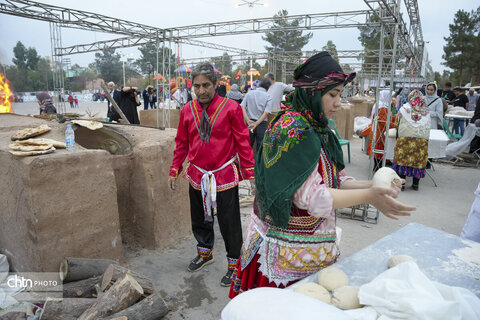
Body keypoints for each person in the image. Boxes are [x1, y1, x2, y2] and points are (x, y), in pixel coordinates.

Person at [229, 52, 415, 298]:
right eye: (332, 95)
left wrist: (374, 186)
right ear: (312, 92)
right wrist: (369, 196)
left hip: (307, 247)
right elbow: (315, 198)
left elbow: (336, 179)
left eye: (340, 94)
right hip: (283, 252)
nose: (338, 103)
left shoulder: (318, 126)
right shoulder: (293, 130)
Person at [168, 62, 255, 287]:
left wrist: (250, 172)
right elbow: (182, 142)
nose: (201, 90)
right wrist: (174, 169)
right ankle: (205, 253)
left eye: (206, 85)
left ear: (215, 85)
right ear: (192, 87)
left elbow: (243, 142)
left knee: (229, 222)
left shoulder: (232, 108)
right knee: (199, 219)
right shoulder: (187, 110)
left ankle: (235, 264)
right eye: (196, 86)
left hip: (223, 174)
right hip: (197, 174)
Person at [392, 90, 430, 191]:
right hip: (421, 142)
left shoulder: (404, 109)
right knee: (418, 162)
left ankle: (402, 183)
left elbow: (396, 123)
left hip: (404, 140)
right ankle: (415, 185)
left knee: (402, 160)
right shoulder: (426, 111)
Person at [361, 90, 396, 171]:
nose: (392, 98)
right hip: (380, 132)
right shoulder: (382, 107)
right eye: (391, 97)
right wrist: (395, 125)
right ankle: (377, 169)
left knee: (379, 150)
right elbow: (384, 122)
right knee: (378, 150)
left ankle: (378, 167)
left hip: (379, 131)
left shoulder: (383, 105)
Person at [240, 78, 273, 152]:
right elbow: (266, 112)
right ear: (268, 87)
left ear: (259, 84)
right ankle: (258, 163)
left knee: (247, 146)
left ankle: (246, 163)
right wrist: (256, 123)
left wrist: (248, 120)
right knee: (260, 147)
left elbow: (242, 106)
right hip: (261, 124)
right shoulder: (268, 96)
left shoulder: (249, 93)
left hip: (249, 123)